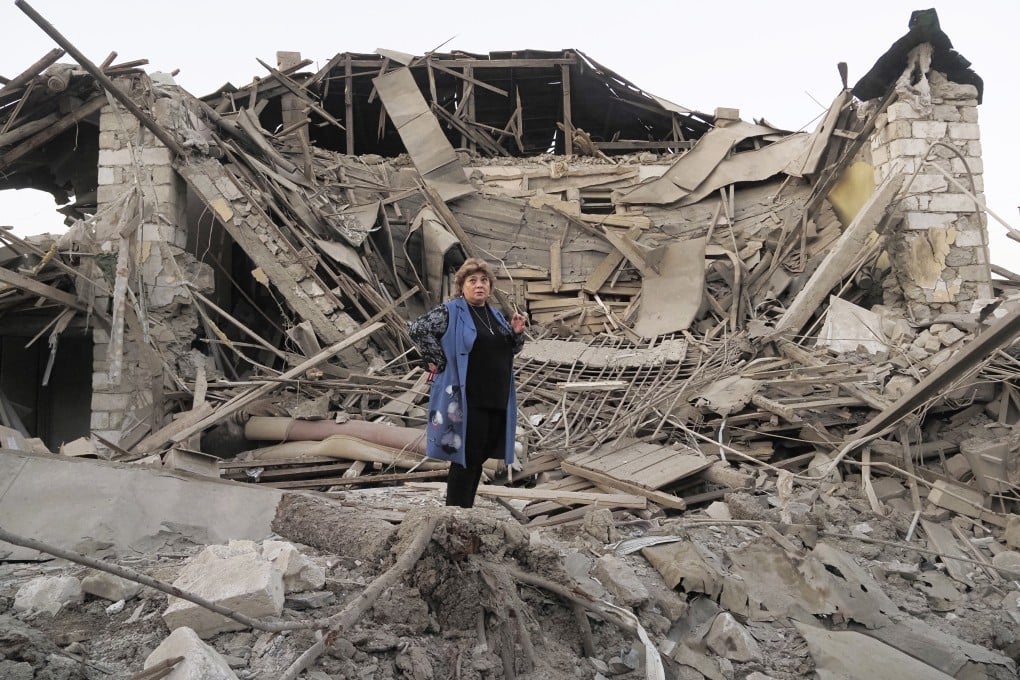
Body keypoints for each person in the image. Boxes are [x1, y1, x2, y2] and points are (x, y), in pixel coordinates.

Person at [408, 258, 527, 508]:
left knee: (480, 455)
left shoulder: (494, 314)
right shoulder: (451, 311)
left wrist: (516, 334)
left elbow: (508, 350)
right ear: (462, 285)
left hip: (495, 398)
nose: (479, 285)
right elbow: (418, 329)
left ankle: (466, 509)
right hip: (468, 398)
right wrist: (438, 361)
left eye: (484, 281)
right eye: (472, 281)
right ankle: (455, 511)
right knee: (465, 457)